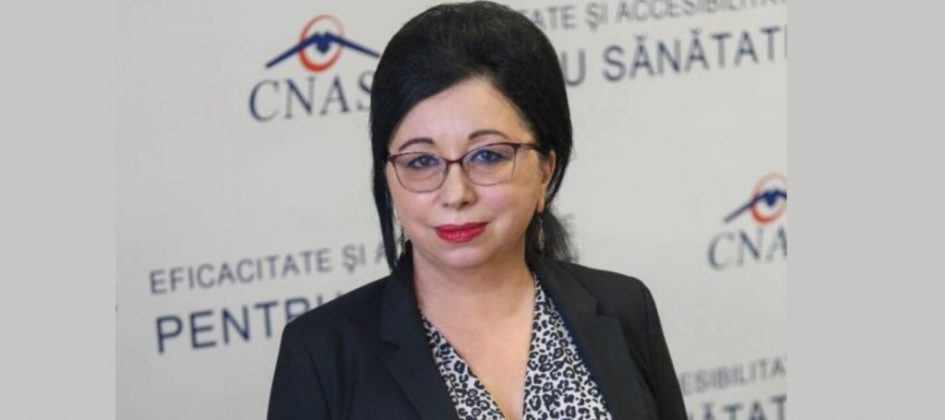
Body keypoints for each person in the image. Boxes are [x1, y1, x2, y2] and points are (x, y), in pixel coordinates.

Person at [267, 2, 686, 419]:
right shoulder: (321, 353)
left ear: (545, 169)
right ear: (388, 176)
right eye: (421, 161)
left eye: (487, 156)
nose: (456, 193)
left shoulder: (624, 307)